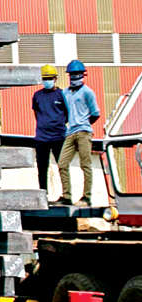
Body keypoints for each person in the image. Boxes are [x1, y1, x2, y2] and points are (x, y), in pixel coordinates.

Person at [57, 59, 103, 206]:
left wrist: (84, 124)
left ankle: (86, 197)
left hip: (83, 131)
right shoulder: (65, 93)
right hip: (70, 132)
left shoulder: (88, 92)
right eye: (72, 74)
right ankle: (66, 196)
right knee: (62, 163)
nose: (75, 77)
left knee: (85, 164)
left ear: (83, 75)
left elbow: (95, 113)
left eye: (77, 74)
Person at [31, 64, 68, 201]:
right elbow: (36, 113)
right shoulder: (37, 96)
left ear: (55, 79)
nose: (47, 81)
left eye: (50, 78)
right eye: (45, 78)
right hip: (41, 138)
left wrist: (57, 124)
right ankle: (43, 195)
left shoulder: (62, 95)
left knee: (63, 167)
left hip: (59, 137)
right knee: (42, 168)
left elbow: (68, 114)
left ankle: (66, 195)